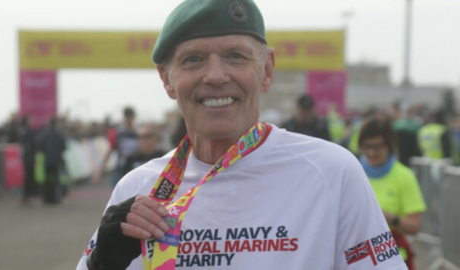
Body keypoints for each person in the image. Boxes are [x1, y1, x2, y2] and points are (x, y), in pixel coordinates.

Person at [77, 1, 407, 269]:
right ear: (167, 79)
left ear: (267, 70)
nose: (216, 76)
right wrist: (100, 265)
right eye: (193, 60)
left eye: (235, 56)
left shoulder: (332, 173)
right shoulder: (137, 189)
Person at [358, 115, 426, 270]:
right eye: (366, 146)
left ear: (389, 145)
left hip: (392, 259)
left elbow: (415, 226)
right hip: (357, 259)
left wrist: (391, 219)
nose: (371, 152)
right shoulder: (352, 172)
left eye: (377, 146)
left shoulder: (404, 176)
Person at [92, 107, 138, 187]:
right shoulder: (117, 133)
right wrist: (99, 172)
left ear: (133, 117)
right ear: (123, 118)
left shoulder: (139, 134)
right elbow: (108, 153)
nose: (128, 120)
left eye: (130, 117)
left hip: (136, 170)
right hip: (120, 170)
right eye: (127, 117)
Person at [37, 116, 66, 204]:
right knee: (55, 180)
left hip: (47, 160)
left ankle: (46, 198)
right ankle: (55, 198)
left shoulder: (45, 134)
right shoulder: (59, 134)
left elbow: (40, 146)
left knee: (47, 180)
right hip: (56, 161)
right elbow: (64, 147)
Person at [19, 116, 39, 205]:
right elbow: (30, 142)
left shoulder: (29, 131)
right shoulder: (25, 131)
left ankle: (28, 196)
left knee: (30, 176)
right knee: (28, 177)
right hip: (28, 157)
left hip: (30, 156)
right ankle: (26, 196)